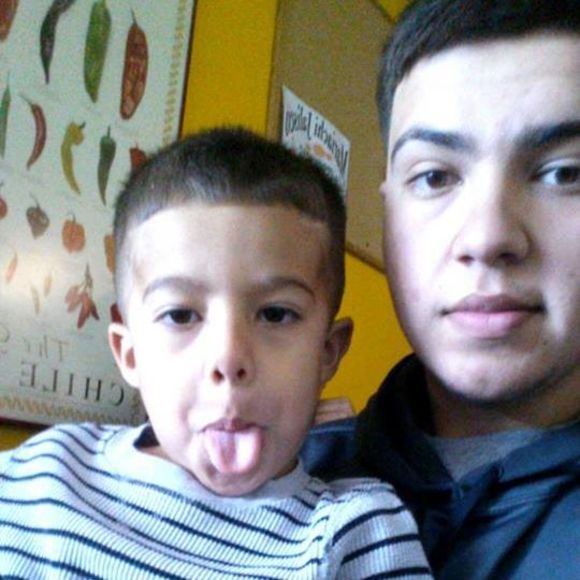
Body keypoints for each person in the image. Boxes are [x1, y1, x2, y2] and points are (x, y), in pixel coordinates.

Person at [0, 128, 431, 578]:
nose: (229, 359)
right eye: (181, 315)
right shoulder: (44, 475)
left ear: (327, 352)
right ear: (129, 355)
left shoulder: (357, 530)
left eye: (276, 314)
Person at [304, 0, 580, 578]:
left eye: (563, 173)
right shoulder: (281, 482)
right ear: (386, 214)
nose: (487, 237)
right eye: (434, 176)